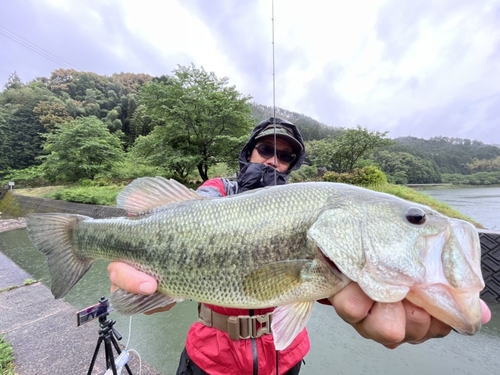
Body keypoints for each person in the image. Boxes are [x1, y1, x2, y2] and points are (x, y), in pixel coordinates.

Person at [108, 118, 491, 374]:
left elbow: (318, 283)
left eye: (286, 155)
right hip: (209, 358)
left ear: (293, 164)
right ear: (249, 153)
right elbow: (195, 209)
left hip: (284, 358)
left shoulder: (312, 209)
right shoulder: (219, 192)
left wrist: (353, 281)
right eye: (265, 150)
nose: (274, 160)